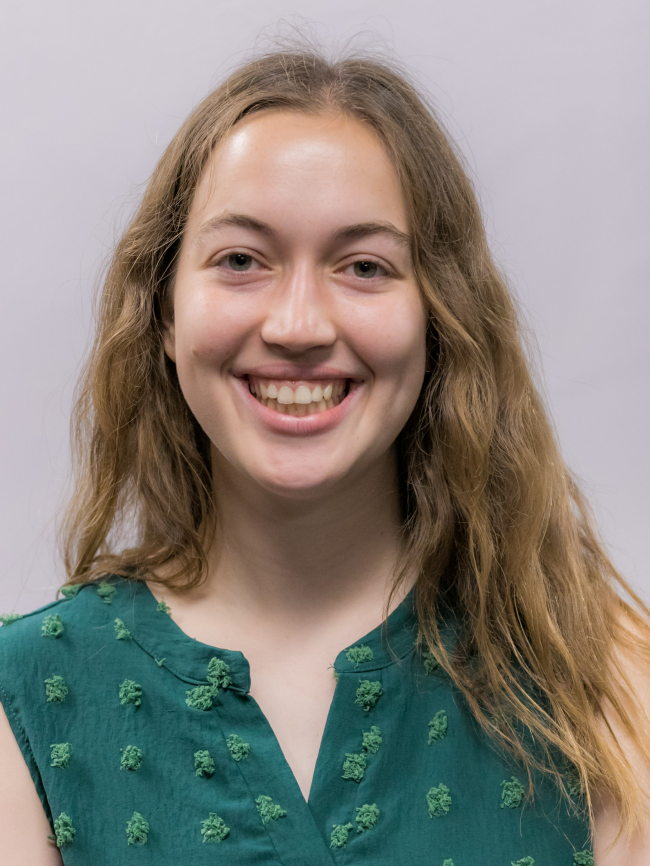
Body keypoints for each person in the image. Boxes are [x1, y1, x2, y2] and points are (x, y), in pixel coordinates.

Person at [0, 42, 648, 865]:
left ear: (441, 318)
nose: (299, 325)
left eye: (364, 266)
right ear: (164, 313)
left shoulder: (604, 675)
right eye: (241, 260)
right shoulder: (22, 699)